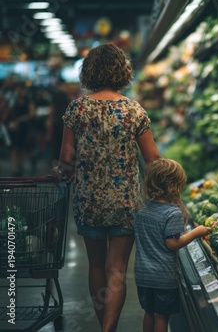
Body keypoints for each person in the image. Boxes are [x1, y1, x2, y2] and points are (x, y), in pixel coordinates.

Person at [51, 43, 161, 332]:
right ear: (122, 72)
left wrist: (61, 172)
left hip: (89, 200)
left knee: (96, 267)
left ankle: (105, 328)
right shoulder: (133, 110)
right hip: (125, 202)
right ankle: (107, 329)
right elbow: (153, 159)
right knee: (117, 270)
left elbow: (67, 159)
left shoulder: (77, 108)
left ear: (88, 72)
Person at [134, 158, 211, 332]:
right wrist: (196, 233)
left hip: (142, 274)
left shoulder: (142, 209)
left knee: (149, 313)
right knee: (161, 316)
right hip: (163, 276)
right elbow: (172, 244)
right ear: (172, 185)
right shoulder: (172, 212)